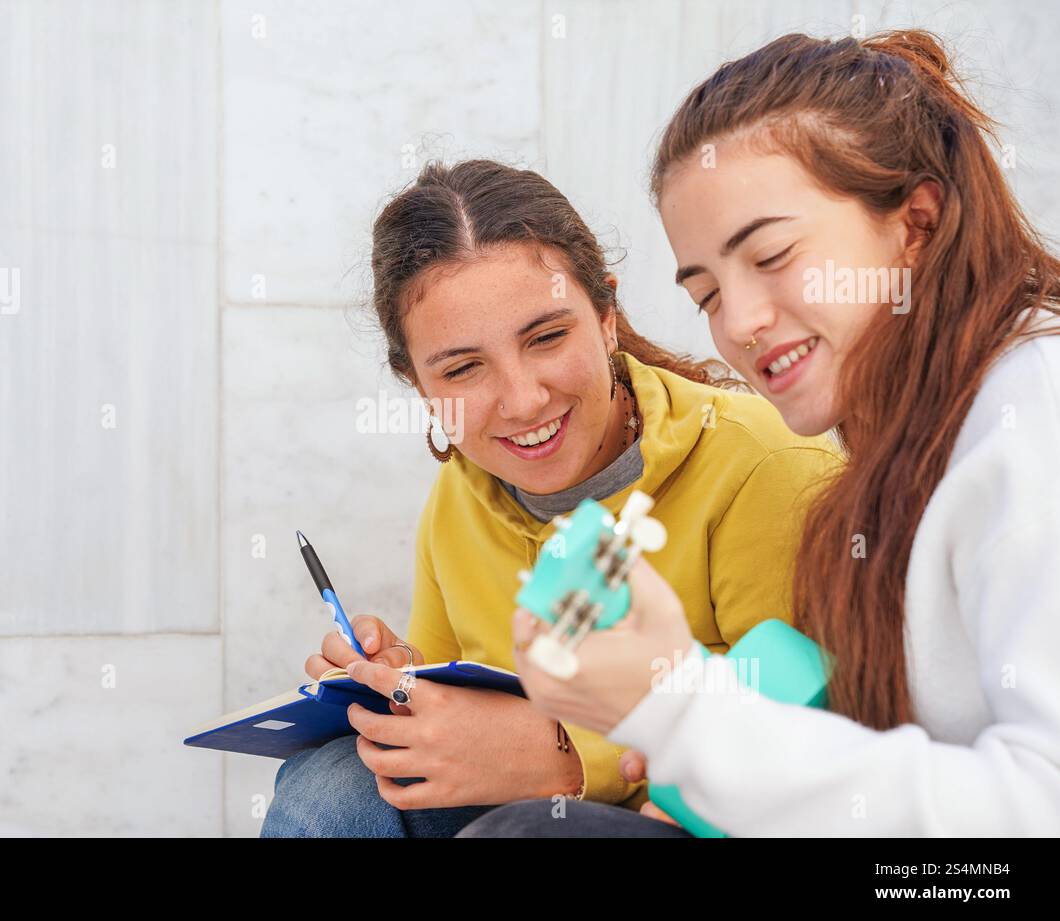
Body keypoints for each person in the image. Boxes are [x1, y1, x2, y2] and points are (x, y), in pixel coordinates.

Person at [450, 30, 1060, 837]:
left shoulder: (1033, 411)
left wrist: (680, 711)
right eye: (705, 292)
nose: (738, 323)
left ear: (915, 223)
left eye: (771, 255)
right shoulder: (899, 448)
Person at [262, 159, 841, 837]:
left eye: (546, 337)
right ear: (418, 384)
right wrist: (407, 687)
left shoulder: (761, 463)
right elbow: (467, 700)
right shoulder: (458, 498)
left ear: (606, 318)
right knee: (331, 786)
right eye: (462, 367)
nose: (523, 399)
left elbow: (812, 741)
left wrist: (563, 755)